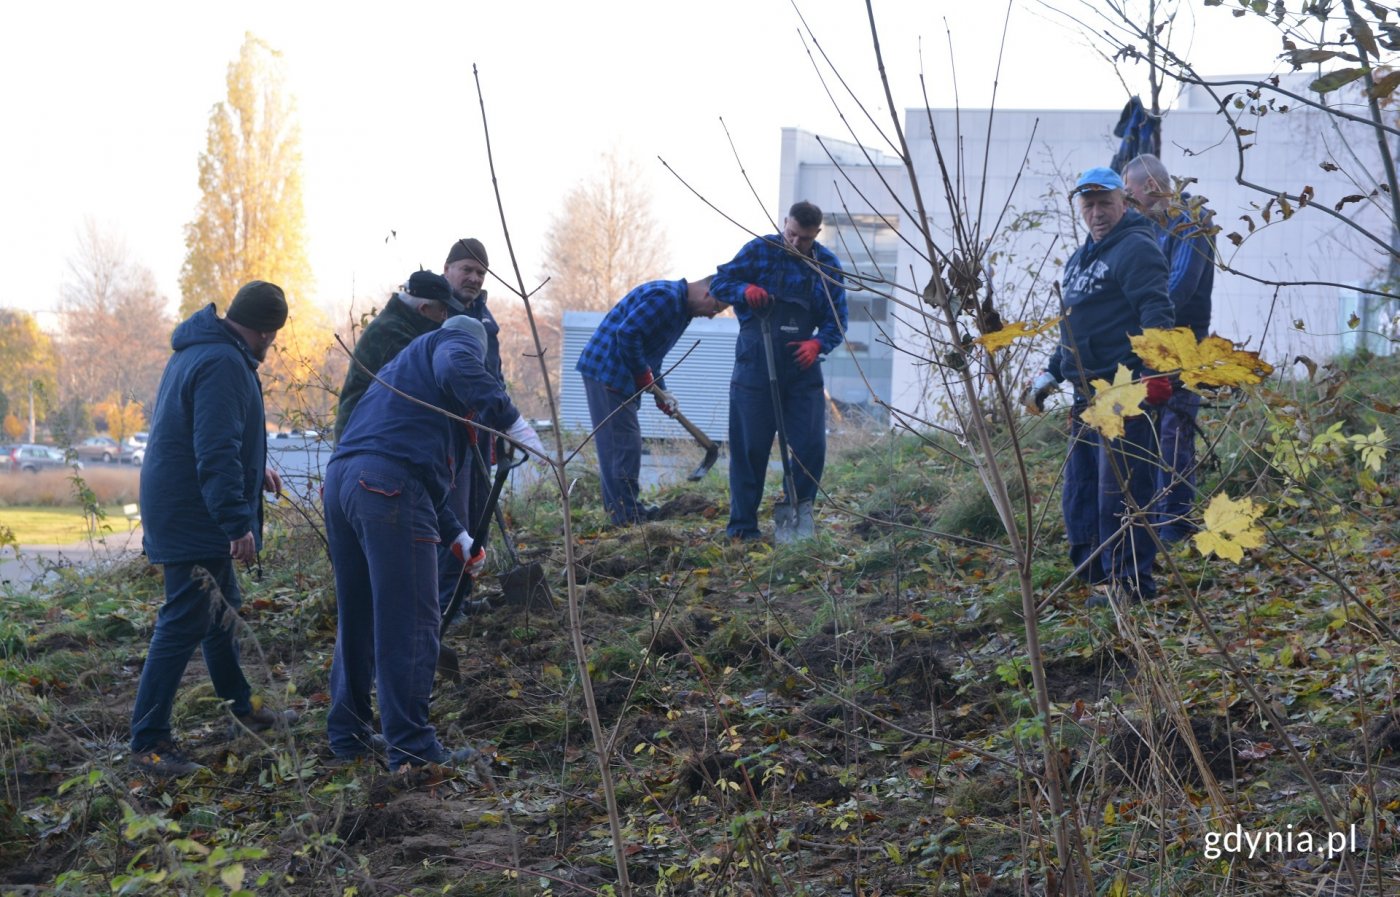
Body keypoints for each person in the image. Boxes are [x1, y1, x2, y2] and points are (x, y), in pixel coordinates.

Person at [323, 315, 545, 771]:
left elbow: (408, 463)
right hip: (386, 488)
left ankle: (347, 735)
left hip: (345, 483)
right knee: (410, 620)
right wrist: (513, 422)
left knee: (359, 613)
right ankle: (411, 749)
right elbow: (456, 366)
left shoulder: (401, 374)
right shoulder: (453, 341)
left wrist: (456, 535)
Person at [129, 281, 296, 776]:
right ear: (266, 331)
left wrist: (255, 467)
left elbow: (210, 435)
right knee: (184, 620)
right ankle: (149, 741)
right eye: (274, 335)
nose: (272, 344)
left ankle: (239, 709)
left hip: (186, 504)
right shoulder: (223, 363)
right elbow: (214, 448)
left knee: (224, 610)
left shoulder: (204, 350)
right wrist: (235, 521)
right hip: (193, 512)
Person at [1030, 167, 1175, 605]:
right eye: (1088, 205)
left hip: (1123, 390)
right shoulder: (1081, 258)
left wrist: (1157, 369)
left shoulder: (1135, 249)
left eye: (1105, 204)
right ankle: (1096, 576)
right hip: (1084, 395)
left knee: (1123, 489)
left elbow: (1157, 308)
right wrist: (1051, 373)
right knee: (1082, 488)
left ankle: (1130, 584)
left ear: (1123, 203)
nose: (1097, 213)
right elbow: (1071, 326)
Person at [710, 200, 848, 543]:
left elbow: (837, 322)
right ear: (784, 223)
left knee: (810, 447)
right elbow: (718, 284)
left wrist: (818, 345)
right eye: (791, 234)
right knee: (749, 449)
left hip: (802, 367)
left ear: (816, 234)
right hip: (754, 363)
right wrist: (745, 289)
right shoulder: (759, 251)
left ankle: (797, 523)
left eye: (803, 238)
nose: (795, 243)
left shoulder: (827, 265)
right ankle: (742, 528)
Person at [575, 276, 728, 525]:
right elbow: (627, 334)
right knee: (622, 447)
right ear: (707, 293)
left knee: (619, 447)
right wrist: (643, 375)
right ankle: (627, 518)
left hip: (617, 375)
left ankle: (622, 512)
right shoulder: (666, 298)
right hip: (608, 372)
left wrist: (662, 392)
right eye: (717, 308)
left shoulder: (680, 310)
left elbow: (649, 352)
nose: (712, 315)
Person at [1123, 153, 1216, 543]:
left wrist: (1144, 326)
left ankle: (1175, 526)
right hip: (1147, 345)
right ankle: (1149, 521)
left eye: (1127, 191)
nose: (1123, 199)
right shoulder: (1146, 227)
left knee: (1175, 434)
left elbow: (1178, 287)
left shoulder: (1190, 221)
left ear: (1149, 188)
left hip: (1182, 344)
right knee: (1144, 432)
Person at [440, 239, 505, 613]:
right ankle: (445, 602)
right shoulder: (436, 311)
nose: (475, 278)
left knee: (480, 509)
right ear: (447, 268)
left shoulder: (485, 316)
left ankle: (462, 598)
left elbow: (494, 374)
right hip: (449, 429)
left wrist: (502, 424)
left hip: (482, 428)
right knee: (454, 515)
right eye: (467, 269)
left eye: (481, 272)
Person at [333, 270, 455, 442]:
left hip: (368, 436)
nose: (445, 318)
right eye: (442, 311)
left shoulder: (403, 326)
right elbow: (421, 391)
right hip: (361, 441)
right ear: (424, 309)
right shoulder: (392, 335)